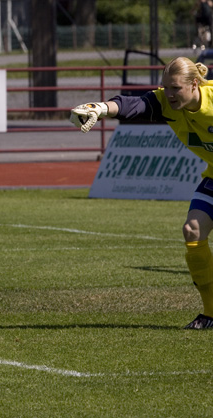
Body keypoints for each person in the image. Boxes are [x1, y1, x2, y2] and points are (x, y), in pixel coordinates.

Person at [70, 56, 213, 330]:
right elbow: (130, 105)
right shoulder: (166, 104)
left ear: (194, 84)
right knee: (193, 230)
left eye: (175, 88)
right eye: (165, 88)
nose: (168, 94)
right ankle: (211, 313)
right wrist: (99, 108)